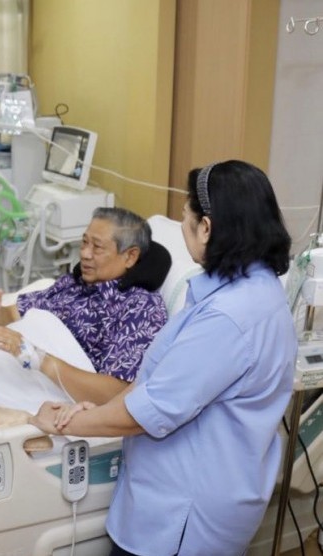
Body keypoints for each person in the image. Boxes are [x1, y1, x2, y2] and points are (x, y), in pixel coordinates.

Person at [30, 160, 296, 555]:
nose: (183, 222)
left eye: (186, 216)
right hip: (205, 492)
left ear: (207, 228)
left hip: (182, 514)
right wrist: (103, 405)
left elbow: (148, 412)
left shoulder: (228, 318)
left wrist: (66, 420)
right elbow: (160, 382)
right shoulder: (255, 291)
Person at [0, 207, 169, 405]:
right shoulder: (72, 283)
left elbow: (116, 394)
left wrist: (40, 359)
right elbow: (15, 314)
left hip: (51, 398)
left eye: (97, 247)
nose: (85, 253)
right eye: (84, 242)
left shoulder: (140, 308)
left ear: (130, 256)